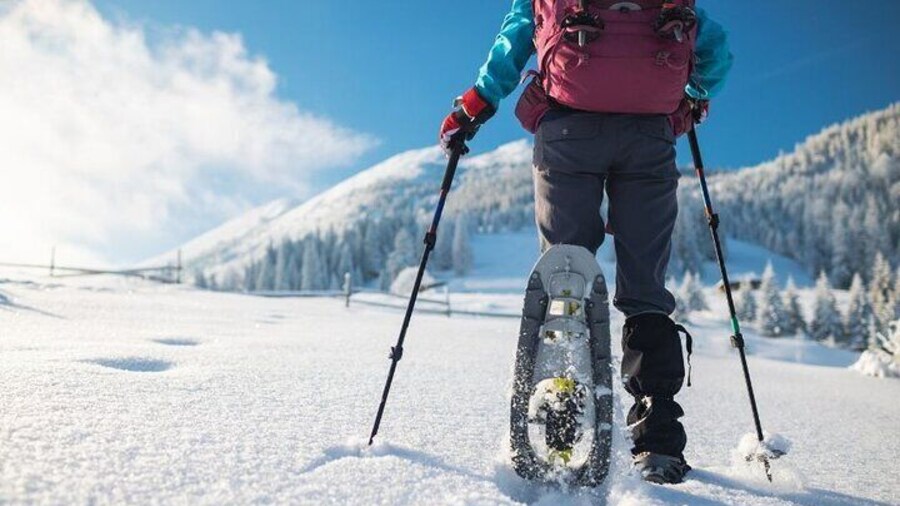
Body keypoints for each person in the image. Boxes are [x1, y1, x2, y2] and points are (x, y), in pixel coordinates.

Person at [438, 0, 732, 484]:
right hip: (650, 136)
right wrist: (694, 92)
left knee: (565, 277)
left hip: (567, 130)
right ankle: (656, 439)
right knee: (646, 292)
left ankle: (561, 421)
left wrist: (476, 103)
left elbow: (516, 37)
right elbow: (714, 50)